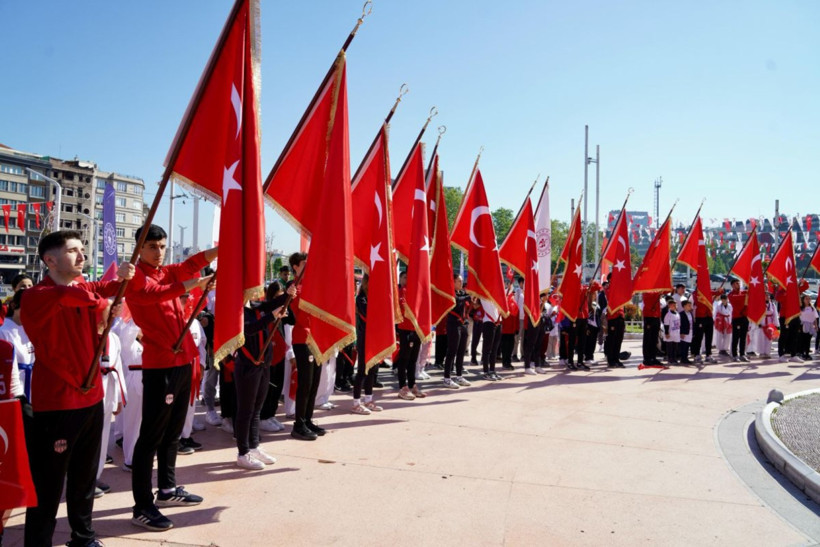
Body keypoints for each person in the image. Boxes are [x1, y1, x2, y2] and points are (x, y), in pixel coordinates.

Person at [21, 230, 134, 547]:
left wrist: (122, 275)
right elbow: (79, 296)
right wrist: (105, 302)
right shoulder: (36, 295)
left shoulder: (82, 286)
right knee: (49, 482)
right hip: (57, 402)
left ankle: (83, 537)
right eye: (73, 250)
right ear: (50, 260)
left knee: (85, 478)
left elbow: (106, 287)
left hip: (91, 396)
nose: (82, 256)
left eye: (83, 249)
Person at [125, 224, 216, 531]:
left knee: (174, 431)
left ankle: (166, 489)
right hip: (159, 365)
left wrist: (223, 248)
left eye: (162, 246)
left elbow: (193, 262)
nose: (159, 252)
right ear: (139, 248)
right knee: (150, 437)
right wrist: (193, 284)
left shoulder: (167, 271)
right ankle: (141, 505)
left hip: (182, 360)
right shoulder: (135, 276)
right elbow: (154, 295)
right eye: (152, 246)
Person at [233, 283, 289, 469]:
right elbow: (249, 329)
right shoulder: (237, 310)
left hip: (263, 364)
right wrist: (271, 317)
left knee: (257, 408)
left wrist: (287, 294)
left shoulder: (255, 306)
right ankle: (243, 452)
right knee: (245, 410)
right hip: (248, 366)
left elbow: (269, 305)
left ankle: (254, 446)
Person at [287, 252, 331, 440]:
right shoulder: (293, 287)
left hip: (316, 339)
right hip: (302, 338)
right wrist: (290, 293)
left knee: (314, 383)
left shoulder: (314, 285)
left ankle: (307, 419)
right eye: (304, 263)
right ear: (295, 266)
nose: (308, 265)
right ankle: (298, 424)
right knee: (305, 384)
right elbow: (291, 310)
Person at [351, 274, 386, 414]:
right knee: (362, 370)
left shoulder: (374, 297)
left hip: (375, 337)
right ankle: (356, 403)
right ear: (366, 282)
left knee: (373, 370)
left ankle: (369, 399)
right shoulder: (361, 298)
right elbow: (369, 314)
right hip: (365, 336)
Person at [395, 271, 427, 399]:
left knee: (413, 360)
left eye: (409, 277)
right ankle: (403, 387)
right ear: (400, 279)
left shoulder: (415, 290)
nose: (407, 279)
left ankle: (412, 384)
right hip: (405, 329)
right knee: (404, 359)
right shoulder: (401, 291)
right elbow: (403, 307)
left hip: (416, 329)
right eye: (404, 277)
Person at [0, 289, 34, 400]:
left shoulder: (35, 328)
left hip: (34, 384)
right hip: (14, 386)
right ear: (14, 305)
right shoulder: (3, 331)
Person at [442, 275, 472, 389]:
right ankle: (447, 378)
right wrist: (468, 296)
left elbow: (466, 301)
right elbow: (457, 301)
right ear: (453, 282)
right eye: (459, 281)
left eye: (461, 281)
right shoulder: (451, 293)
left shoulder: (461, 293)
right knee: (452, 351)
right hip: (453, 324)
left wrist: (471, 296)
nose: (461, 283)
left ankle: (459, 376)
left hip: (463, 324)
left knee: (461, 352)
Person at [604, 276, 626, 368]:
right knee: (612, 340)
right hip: (612, 316)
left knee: (619, 339)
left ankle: (616, 359)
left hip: (620, 316)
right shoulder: (608, 289)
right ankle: (611, 360)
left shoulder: (619, 288)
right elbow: (610, 297)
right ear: (609, 280)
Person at [479, 298, 502, 380]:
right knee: (487, 349)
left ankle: (492, 370)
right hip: (489, 322)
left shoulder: (497, 294)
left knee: (495, 349)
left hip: (498, 322)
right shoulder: (485, 295)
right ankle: (486, 371)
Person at [727, 278, 749, 362]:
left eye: (739, 283)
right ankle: (734, 355)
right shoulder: (731, 295)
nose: (738, 285)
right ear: (732, 285)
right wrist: (747, 294)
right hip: (736, 318)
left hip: (744, 318)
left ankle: (742, 354)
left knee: (743, 337)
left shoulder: (744, 293)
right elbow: (737, 298)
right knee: (736, 337)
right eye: (736, 283)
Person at [641, 292, 663, 366]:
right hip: (649, 316)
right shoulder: (647, 291)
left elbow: (668, 290)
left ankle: (653, 357)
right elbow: (647, 301)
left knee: (654, 339)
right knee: (648, 338)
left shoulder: (657, 292)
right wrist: (658, 293)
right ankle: (646, 358)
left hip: (657, 316)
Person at [500, 291, 519, 370]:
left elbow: (516, 318)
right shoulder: (505, 305)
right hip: (506, 330)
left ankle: (508, 362)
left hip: (511, 330)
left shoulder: (514, 305)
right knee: (506, 347)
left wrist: (516, 328)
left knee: (509, 347)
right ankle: (505, 362)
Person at [757, 292, 778, 359]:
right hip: (762, 322)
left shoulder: (772, 305)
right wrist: (758, 323)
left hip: (770, 323)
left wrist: (776, 324)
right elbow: (756, 314)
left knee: (769, 338)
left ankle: (767, 352)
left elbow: (775, 315)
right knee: (761, 338)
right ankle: (761, 352)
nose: (767, 297)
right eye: (765, 296)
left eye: (768, 296)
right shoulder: (759, 304)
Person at [798, 294, 818, 361]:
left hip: (810, 326)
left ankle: (807, 353)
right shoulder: (801, 308)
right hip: (803, 325)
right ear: (803, 300)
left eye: (809, 298)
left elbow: (815, 317)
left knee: (808, 340)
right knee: (802, 340)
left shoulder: (812, 308)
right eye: (806, 298)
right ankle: (801, 353)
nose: (808, 300)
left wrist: (816, 326)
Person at [663, 299, 681, 365]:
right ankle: (670, 359)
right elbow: (666, 324)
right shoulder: (668, 314)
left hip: (676, 333)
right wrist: (667, 333)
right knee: (670, 347)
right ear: (669, 306)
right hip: (670, 333)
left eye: (675, 305)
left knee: (675, 347)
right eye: (672, 305)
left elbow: (679, 324)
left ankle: (674, 358)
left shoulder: (677, 314)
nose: (674, 306)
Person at [679, 299, 694, 364]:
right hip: (684, 332)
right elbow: (680, 324)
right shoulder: (681, 314)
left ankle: (686, 358)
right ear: (684, 306)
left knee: (687, 345)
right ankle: (683, 358)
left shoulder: (690, 313)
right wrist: (681, 332)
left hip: (690, 331)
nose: (690, 307)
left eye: (690, 305)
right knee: (684, 346)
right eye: (689, 306)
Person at [469, 297, 484, 365]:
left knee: (486, 340)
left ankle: (484, 358)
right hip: (478, 319)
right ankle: (473, 358)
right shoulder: (477, 295)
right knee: (475, 340)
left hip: (486, 319)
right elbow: (474, 305)